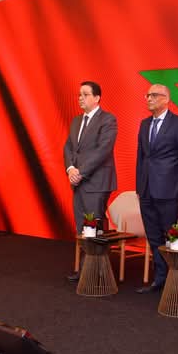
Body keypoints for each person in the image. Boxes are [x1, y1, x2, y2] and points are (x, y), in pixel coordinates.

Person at [134, 84, 178, 293]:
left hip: (169, 191)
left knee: (172, 238)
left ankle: (177, 280)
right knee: (153, 237)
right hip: (146, 190)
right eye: (147, 95)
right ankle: (160, 279)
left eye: (154, 95)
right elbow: (141, 158)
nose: (149, 98)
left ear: (166, 99)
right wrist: (139, 186)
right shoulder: (144, 124)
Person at [63, 81, 118, 282]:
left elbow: (103, 150)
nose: (80, 98)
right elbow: (68, 148)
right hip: (79, 182)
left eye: (85, 94)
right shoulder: (76, 121)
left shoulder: (108, 119)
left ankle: (96, 271)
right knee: (82, 227)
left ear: (97, 98)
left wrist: (81, 172)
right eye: (79, 94)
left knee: (94, 226)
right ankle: (87, 269)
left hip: (97, 182)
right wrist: (70, 169)